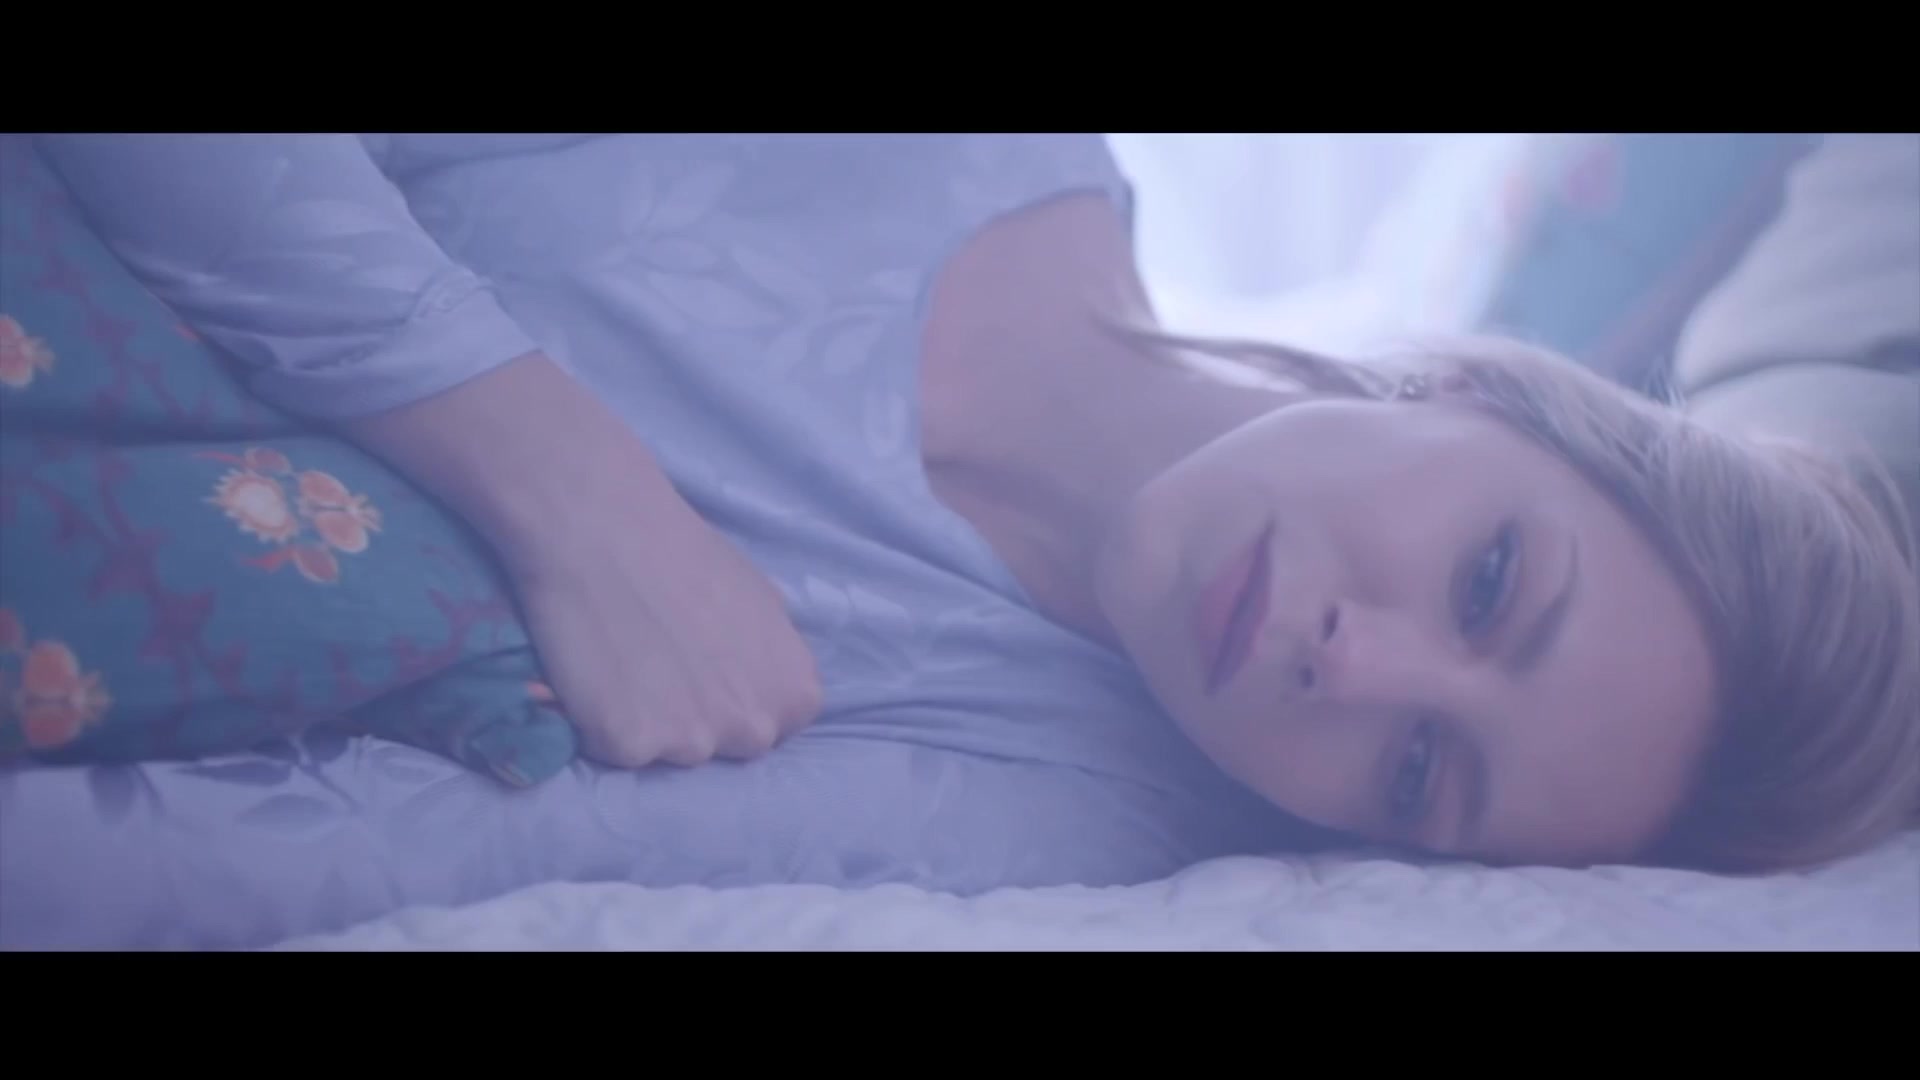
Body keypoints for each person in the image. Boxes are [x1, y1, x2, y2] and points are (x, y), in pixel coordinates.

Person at [31, 132, 1920, 884]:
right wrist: (559, 473)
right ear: (1486, 398)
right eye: (1493, 579)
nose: (1359, 667)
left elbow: (260, 864)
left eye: (1422, 773)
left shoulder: (1052, 811)